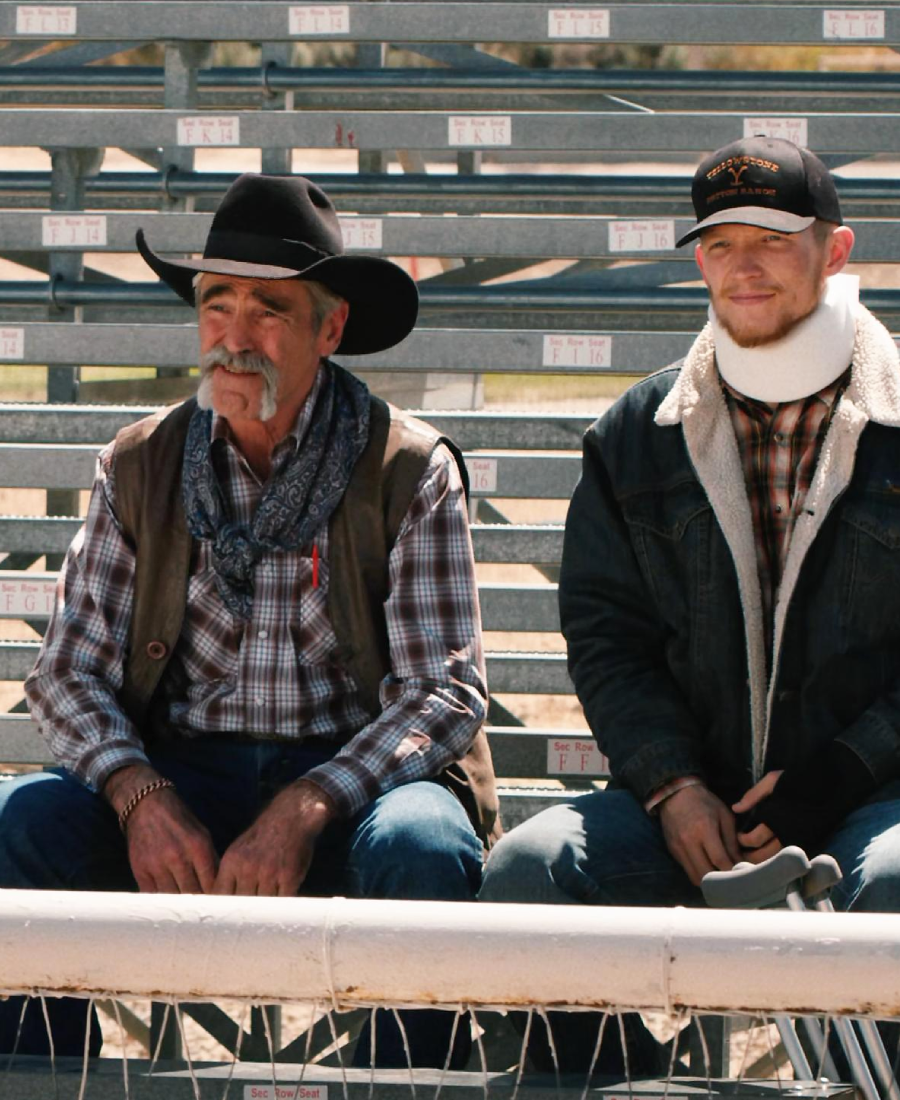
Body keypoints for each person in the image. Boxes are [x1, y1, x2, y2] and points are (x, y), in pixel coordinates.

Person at [0, 173, 499, 1066]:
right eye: (216, 303)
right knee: (17, 825)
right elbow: (66, 673)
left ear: (331, 327)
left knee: (423, 844)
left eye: (269, 309)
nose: (234, 337)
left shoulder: (408, 467)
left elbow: (442, 693)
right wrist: (140, 795)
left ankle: (399, 1090)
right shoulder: (140, 464)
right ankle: (39, 1085)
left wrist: (306, 806)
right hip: (179, 784)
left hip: (352, 795)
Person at [479, 136, 900, 1071]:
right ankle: (632, 1090)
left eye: (772, 239)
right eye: (718, 244)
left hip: (874, 801)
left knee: (898, 889)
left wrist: (838, 772)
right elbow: (604, 633)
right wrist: (671, 784)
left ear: (836, 251)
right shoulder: (636, 431)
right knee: (529, 872)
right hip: (696, 805)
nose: (741, 267)